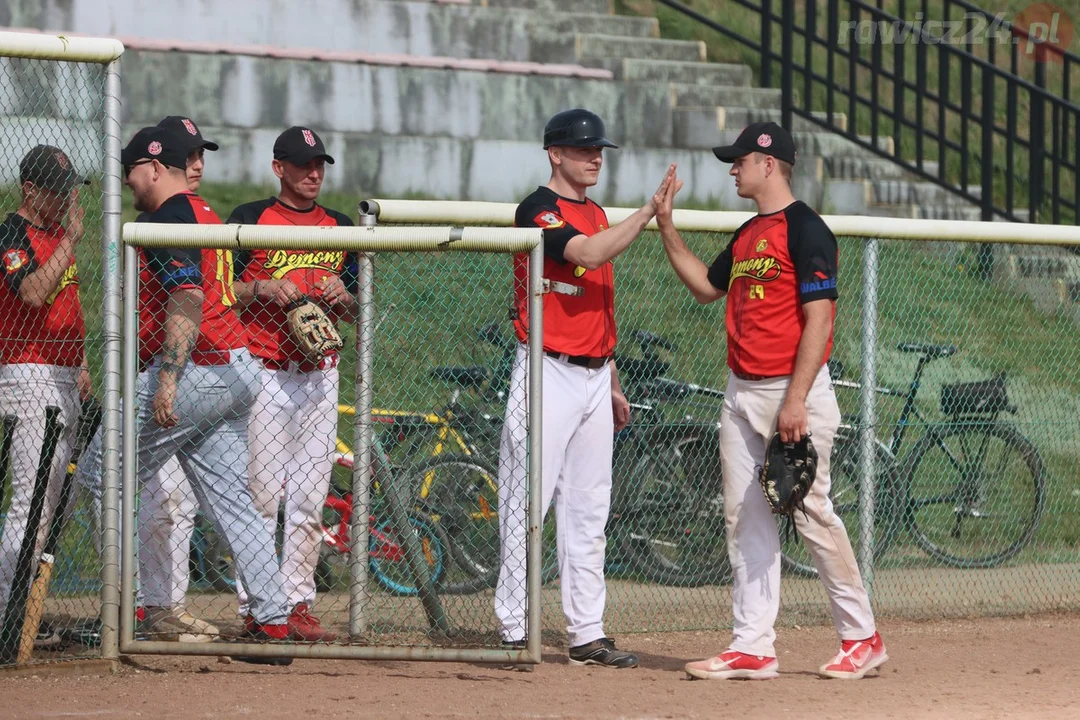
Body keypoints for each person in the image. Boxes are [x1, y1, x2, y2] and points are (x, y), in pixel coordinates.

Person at [653, 121, 888, 680]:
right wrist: (666, 226)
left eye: (739, 160)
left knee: (811, 513)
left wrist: (796, 399)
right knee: (744, 517)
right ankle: (752, 644)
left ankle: (863, 637)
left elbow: (820, 318)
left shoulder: (807, 229)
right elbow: (705, 288)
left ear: (768, 163)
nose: (732, 168)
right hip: (740, 392)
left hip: (790, 393)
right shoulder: (746, 234)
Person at [495, 108, 675, 668]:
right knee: (527, 499)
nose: (595, 157)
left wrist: (614, 380)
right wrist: (649, 211)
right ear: (555, 153)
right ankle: (514, 627)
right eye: (583, 149)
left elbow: (600, 302)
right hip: (545, 369)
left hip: (596, 373)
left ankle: (586, 632)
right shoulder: (537, 209)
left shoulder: (596, 210)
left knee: (589, 507)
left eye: (599, 149)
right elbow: (586, 254)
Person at [122, 125, 294, 664]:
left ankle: (122, 613)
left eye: (131, 172)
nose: (127, 183)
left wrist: (168, 376)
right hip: (237, 370)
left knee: (107, 474)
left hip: (195, 368)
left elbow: (189, 296)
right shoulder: (204, 212)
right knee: (234, 503)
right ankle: (272, 620)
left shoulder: (168, 215)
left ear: (153, 167)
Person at [75, 115, 222, 643]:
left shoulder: (191, 216)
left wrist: (170, 377)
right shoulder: (167, 218)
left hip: (180, 379)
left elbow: (197, 297)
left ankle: (160, 605)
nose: (198, 164)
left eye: (201, 156)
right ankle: (134, 604)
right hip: (160, 376)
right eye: (189, 156)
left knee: (169, 506)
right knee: (138, 496)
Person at [227, 126, 356, 643]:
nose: (313, 173)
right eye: (302, 164)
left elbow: (360, 310)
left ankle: (298, 602)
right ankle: (256, 606)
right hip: (265, 374)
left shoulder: (340, 226)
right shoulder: (249, 219)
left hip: (320, 376)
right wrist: (261, 286)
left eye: (319, 164)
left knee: (309, 496)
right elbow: (219, 290)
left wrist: (342, 295)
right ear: (278, 167)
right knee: (261, 497)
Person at [0, 145, 90, 627]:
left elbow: (69, 302)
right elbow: (33, 293)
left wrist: (82, 361)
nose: (67, 198)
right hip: (28, 374)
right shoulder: (11, 232)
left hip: (64, 374)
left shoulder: (54, 233)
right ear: (29, 190)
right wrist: (70, 242)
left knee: (58, 504)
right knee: (31, 505)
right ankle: (3, 614)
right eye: (57, 191)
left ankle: (23, 612)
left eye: (69, 188)